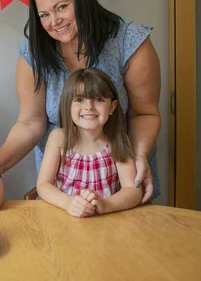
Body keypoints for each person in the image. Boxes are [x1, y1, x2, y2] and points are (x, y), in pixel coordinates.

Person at [0, 0, 160, 203]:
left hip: (120, 184)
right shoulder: (34, 53)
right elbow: (30, 123)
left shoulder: (128, 41)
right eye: (44, 15)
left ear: (82, 0)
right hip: (62, 195)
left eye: (62, 7)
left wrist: (139, 156)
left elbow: (145, 113)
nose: (55, 21)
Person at [37, 68, 141, 217]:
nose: (89, 106)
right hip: (63, 220)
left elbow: (133, 191)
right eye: (79, 100)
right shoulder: (58, 138)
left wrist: (105, 205)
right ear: (69, 105)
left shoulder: (118, 140)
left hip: (107, 223)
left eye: (98, 99)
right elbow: (43, 185)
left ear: (112, 107)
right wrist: (67, 203)